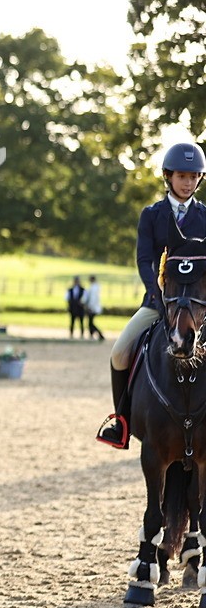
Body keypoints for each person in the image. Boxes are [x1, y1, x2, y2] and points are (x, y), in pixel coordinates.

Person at [97, 141, 206, 448]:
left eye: (193, 176)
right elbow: (145, 260)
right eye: (181, 176)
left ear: (200, 179)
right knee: (119, 352)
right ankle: (121, 420)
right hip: (159, 303)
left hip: (199, 309)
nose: (187, 182)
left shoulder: (205, 217)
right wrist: (156, 295)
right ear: (169, 177)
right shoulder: (152, 215)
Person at [83, 275, 105, 341]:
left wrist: (90, 307)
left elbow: (93, 299)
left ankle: (99, 334)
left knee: (90, 323)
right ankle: (93, 334)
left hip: (93, 308)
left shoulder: (93, 288)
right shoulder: (95, 287)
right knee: (90, 322)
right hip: (94, 307)